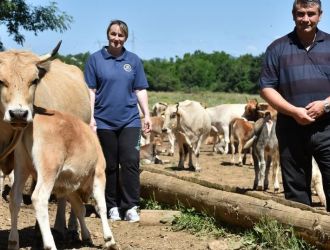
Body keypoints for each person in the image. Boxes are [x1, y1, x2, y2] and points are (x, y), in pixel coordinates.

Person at [259, 0, 330, 210]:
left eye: (311, 13)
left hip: (328, 127)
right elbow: (266, 88)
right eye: (301, 14)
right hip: (291, 128)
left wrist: (326, 105)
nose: (306, 19)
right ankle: (301, 239)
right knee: (296, 189)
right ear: (293, 15)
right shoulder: (277, 48)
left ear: (320, 15)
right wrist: (294, 111)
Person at [84, 19, 152, 222]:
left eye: (120, 35)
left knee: (131, 161)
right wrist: (91, 117)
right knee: (109, 165)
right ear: (108, 35)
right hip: (103, 121)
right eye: (113, 34)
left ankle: (131, 205)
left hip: (130, 120)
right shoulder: (95, 60)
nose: (116, 38)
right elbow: (90, 90)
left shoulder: (133, 60)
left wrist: (146, 114)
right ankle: (111, 205)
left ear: (126, 38)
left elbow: (140, 89)